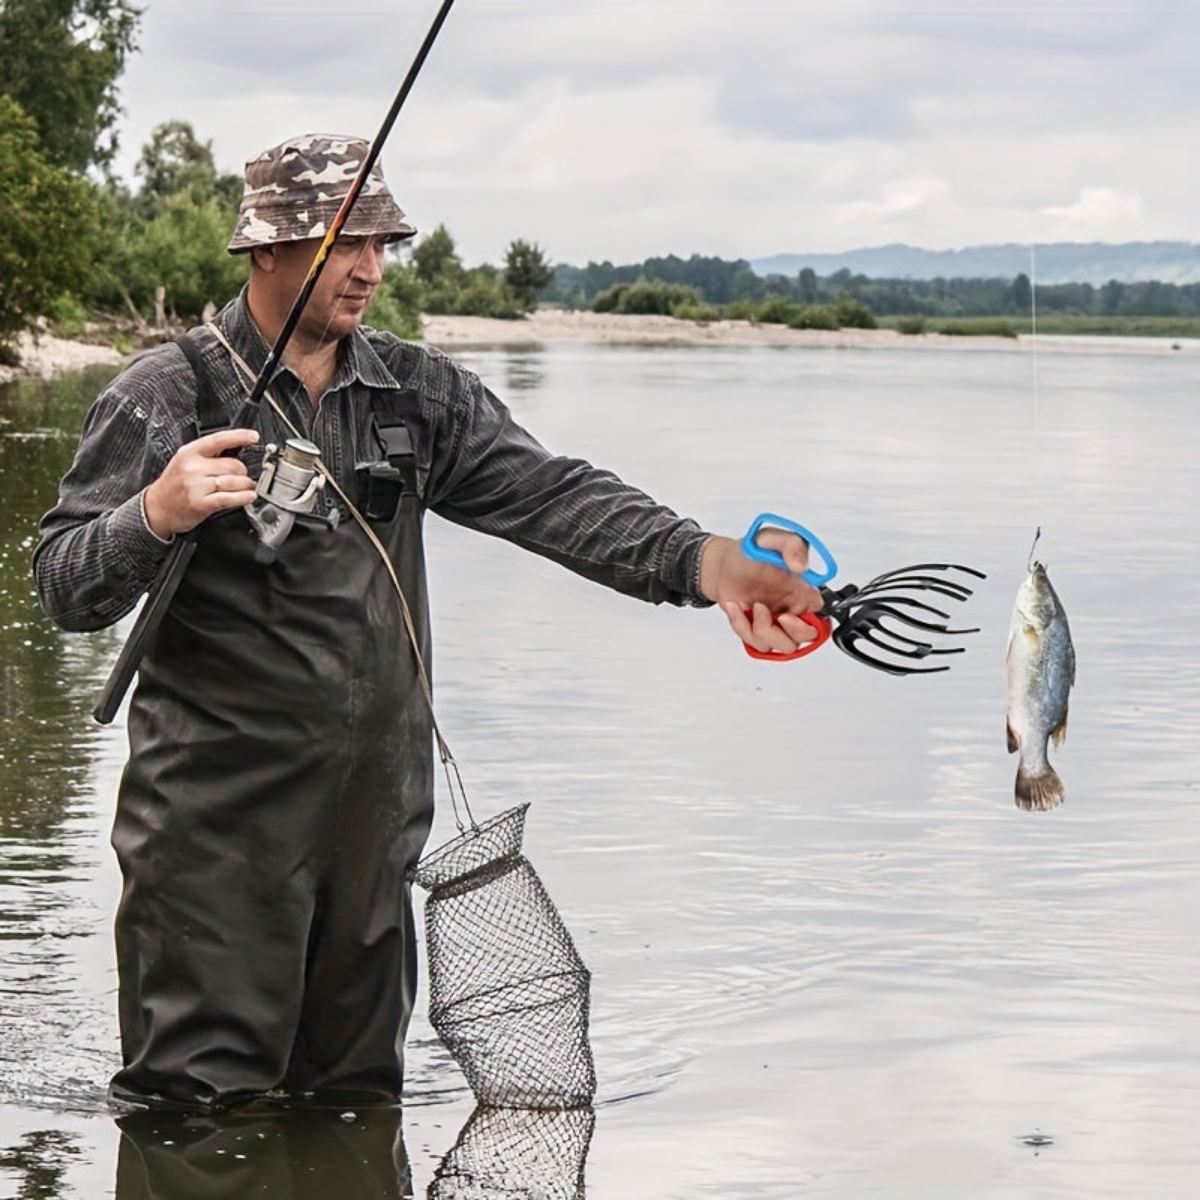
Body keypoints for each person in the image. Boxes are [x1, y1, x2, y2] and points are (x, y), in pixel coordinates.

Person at [34, 133, 822, 1113]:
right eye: (344, 242)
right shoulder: (166, 393)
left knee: (357, 1109)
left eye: (382, 243)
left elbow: (553, 495)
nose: (370, 268)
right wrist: (151, 513)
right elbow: (64, 586)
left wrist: (706, 563)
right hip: (213, 841)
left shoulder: (415, 394)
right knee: (195, 1119)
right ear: (267, 249)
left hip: (375, 830)